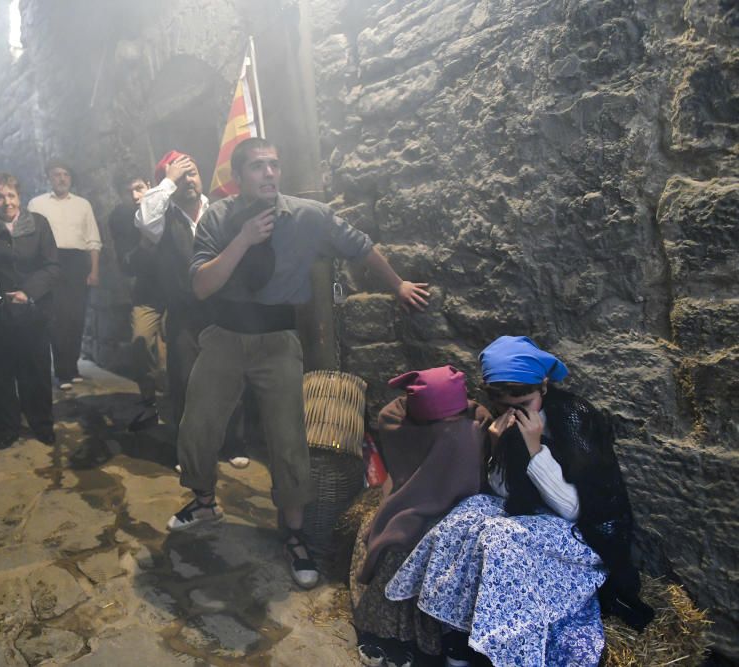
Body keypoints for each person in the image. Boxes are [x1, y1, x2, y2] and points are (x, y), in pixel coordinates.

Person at [165, 137, 430, 591]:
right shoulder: (218, 218)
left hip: (277, 340)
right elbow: (203, 286)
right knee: (198, 426)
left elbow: (360, 246)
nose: (269, 174)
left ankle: (293, 533)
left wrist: (398, 284)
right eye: (257, 167)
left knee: (289, 441)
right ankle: (205, 500)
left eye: (274, 165)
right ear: (238, 177)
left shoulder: (309, 216)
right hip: (225, 334)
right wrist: (244, 240)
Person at [385, 336, 654, 666]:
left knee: (500, 539)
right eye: (503, 405)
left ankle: (505, 650)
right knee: (466, 515)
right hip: (532, 515)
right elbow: (502, 494)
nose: (514, 412)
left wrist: (535, 449)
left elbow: (577, 510)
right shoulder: (507, 419)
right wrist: (499, 448)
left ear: (543, 385)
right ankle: (457, 636)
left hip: (582, 531)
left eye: (524, 402)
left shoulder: (574, 417)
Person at [351, 366, 487, 667]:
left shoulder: (467, 425)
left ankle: (444, 643)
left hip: (457, 511)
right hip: (412, 503)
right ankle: (392, 636)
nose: (450, 426)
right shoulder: (436, 430)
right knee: (400, 547)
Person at [135, 151, 250, 467]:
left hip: (224, 310)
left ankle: (232, 444)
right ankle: (190, 452)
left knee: (230, 378)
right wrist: (167, 180)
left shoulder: (219, 211)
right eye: (180, 175)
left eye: (193, 172)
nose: (189, 180)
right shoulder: (163, 219)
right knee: (185, 383)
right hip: (185, 313)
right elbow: (144, 220)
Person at [0, 172, 60, 447]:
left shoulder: (38, 224)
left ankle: (41, 424)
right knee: (1, 373)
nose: (6, 202)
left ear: (19, 197)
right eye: (0, 196)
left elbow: (51, 266)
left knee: (36, 370)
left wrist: (29, 293)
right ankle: (7, 428)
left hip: (32, 310)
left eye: (11, 195)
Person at [27, 160, 100, 388]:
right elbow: (30, 240)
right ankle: (62, 372)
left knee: (76, 317)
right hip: (51, 261)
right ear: (49, 177)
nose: (61, 178)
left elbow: (93, 240)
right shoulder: (37, 204)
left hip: (77, 263)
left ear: (70, 178)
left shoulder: (83, 205)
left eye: (66, 174)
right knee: (57, 317)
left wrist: (94, 270)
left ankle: (72, 365)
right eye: (57, 174)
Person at [109, 174, 163, 429]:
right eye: (127, 191)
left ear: (150, 187)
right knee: (140, 341)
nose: (134, 196)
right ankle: (149, 400)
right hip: (146, 292)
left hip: (176, 289)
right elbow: (127, 264)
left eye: (139, 188)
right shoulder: (120, 219)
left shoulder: (166, 207)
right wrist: (144, 244)